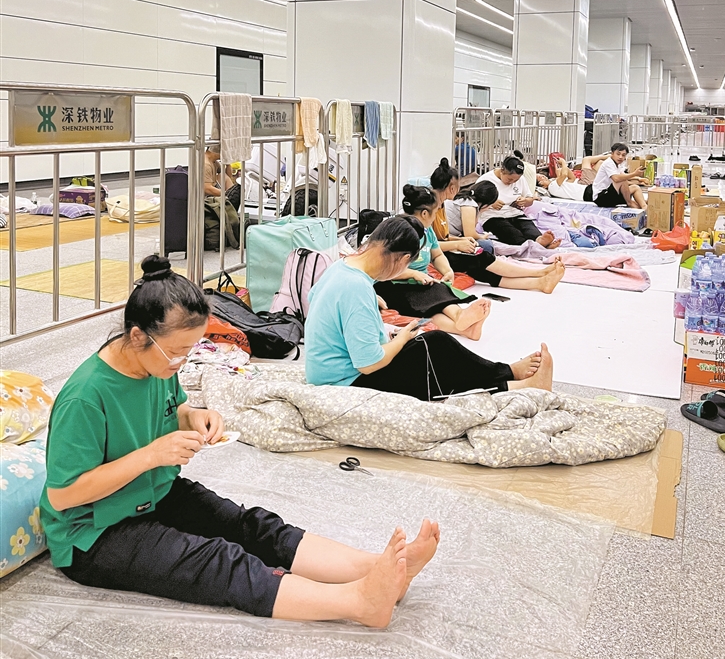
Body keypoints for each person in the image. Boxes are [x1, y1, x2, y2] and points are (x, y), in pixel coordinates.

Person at [41, 255, 439, 629]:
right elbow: (63, 495)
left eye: (190, 351)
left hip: (152, 493)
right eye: (177, 352)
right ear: (137, 336)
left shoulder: (157, 366)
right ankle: (359, 603)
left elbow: (176, 408)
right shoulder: (85, 397)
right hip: (94, 534)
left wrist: (194, 416)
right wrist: (150, 456)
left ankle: (378, 569)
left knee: (251, 526)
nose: (182, 362)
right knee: (220, 562)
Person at [304, 217, 555, 398]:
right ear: (403, 259)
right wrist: (401, 339)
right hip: (344, 384)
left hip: (330, 373)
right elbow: (369, 364)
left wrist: (373, 302)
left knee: (435, 345)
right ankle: (512, 383)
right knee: (433, 353)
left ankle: (507, 374)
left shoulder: (342, 268)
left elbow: (322, 302)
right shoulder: (356, 287)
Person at [373, 187, 493, 340]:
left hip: (421, 281)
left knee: (438, 290)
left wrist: (447, 271)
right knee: (426, 302)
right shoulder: (397, 232)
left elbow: (437, 255)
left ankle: (464, 324)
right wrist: (413, 274)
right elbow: (382, 270)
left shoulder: (427, 231)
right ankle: (461, 320)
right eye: (436, 212)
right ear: (425, 213)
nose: (436, 217)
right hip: (392, 284)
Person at [429, 167, 564, 294]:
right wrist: (459, 243)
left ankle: (540, 281)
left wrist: (460, 241)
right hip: (441, 251)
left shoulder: (441, 205)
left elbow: (441, 237)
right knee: (483, 254)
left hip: (513, 214)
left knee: (480, 264)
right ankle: (539, 273)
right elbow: (428, 244)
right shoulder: (437, 207)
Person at [475, 157, 561, 248]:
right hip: (492, 216)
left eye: (515, 180)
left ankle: (539, 241)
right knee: (512, 234)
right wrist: (491, 202)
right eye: (509, 179)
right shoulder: (486, 180)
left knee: (528, 228)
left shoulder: (521, 179)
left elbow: (530, 199)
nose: (512, 182)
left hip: (515, 213)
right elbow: (475, 200)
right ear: (502, 170)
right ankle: (533, 247)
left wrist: (526, 201)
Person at [591, 143, 647, 209]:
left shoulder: (617, 165)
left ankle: (644, 206)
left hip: (612, 194)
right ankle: (629, 203)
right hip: (601, 197)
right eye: (618, 154)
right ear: (612, 154)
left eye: (623, 155)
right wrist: (634, 174)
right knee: (622, 180)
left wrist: (639, 178)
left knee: (635, 188)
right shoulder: (608, 163)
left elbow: (624, 175)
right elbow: (616, 179)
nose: (620, 157)